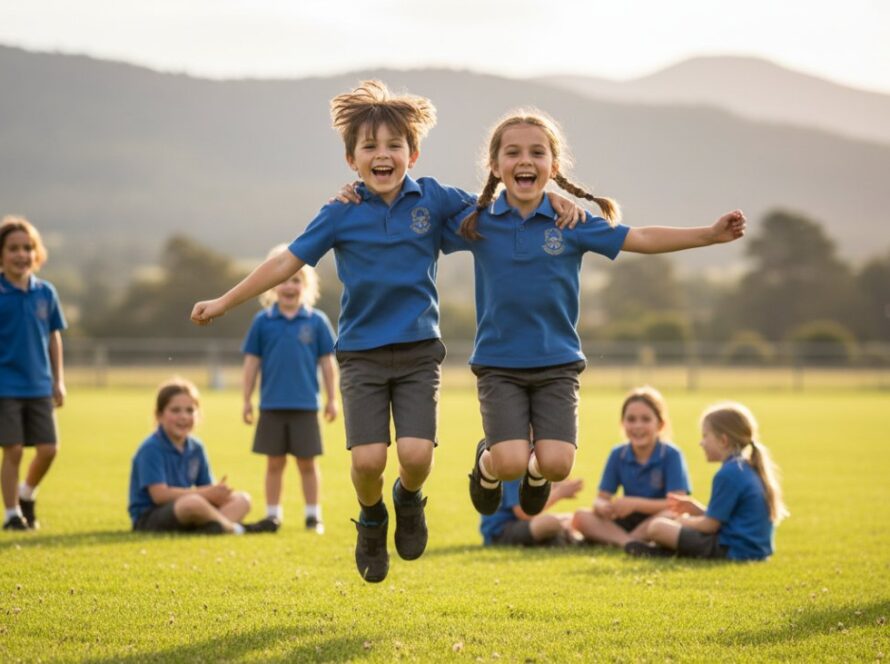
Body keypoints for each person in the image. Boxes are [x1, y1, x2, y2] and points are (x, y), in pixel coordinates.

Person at [191, 81, 582, 582]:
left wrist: (552, 199)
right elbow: (286, 261)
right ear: (351, 160)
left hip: (419, 351)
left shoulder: (436, 200)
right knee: (369, 460)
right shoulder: (340, 212)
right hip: (360, 355)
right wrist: (225, 301)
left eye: (394, 145)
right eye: (370, 147)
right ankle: (372, 516)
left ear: (412, 153)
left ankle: (409, 498)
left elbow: (504, 207)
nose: (383, 155)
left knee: (415, 456)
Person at [449, 111, 746, 520]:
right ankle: (486, 466)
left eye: (537, 152)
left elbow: (638, 237)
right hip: (499, 364)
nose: (524, 160)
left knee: (555, 464)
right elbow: (419, 215)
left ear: (553, 167)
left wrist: (709, 235)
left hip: (557, 364)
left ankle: (538, 476)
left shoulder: (572, 222)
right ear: (495, 166)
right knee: (509, 463)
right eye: (512, 152)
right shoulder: (476, 221)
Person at [242, 248, 338, 534]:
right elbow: (251, 363)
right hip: (271, 404)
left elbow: (327, 363)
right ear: (272, 285)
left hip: (306, 405)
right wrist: (247, 399)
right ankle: (272, 515)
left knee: (307, 463)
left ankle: (313, 516)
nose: (289, 286)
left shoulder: (316, 321)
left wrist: (332, 399)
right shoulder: (262, 322)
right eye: (284, 280)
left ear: (305, 286)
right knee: (274, 463)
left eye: (296, 280)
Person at [625, 402, 788, 560]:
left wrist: (683, 520)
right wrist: (695, 509)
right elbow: (724, 518)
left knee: (657, 526)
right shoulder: (744, 468)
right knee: (666, 524)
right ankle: (667, 552)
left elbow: (711, 526)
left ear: (723, 441)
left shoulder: (728, 473)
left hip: (732, 549)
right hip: (752, 549)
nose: (701, 443)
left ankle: (667, 551)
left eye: (705, 436)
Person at [128, 378, 278, 535]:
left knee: (242, 500)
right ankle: (238, 529)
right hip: (151, 517)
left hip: (190, 509)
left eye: (190, 410)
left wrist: (218, 493)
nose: (184, 416)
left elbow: (207, 487)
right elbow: (159, 495)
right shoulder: (151, 448)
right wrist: (206, 493)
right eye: (175, 410)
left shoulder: (196, 447)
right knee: (192, 503)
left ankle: (212, 528)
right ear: (159, 415)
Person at [0, 216, 66, 531]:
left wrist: (59, 379)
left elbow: (54, 336)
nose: (21, 254)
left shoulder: (46, 293)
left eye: (28, 248)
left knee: (49, 449)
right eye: (13, 248)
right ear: (1, 254)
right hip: (5, 385)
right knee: (12, 449)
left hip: (40, 384)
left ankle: (27, 494)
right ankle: (13, 514)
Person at [572, 386, 691, 547]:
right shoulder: (618, 454)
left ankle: (624, 540)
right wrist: (603, 507)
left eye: (646, 419)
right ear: (622, 423)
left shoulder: (671, 455)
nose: (638, 426)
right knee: (580, 517)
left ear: (660, 425)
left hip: (658, 519)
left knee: (672, 515)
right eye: (631, 419)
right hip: (625, 520)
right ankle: (630, 543)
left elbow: (678, 504)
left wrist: (635, 503)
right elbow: (600, 499)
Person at [481, 471, 583, 547]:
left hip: (521, 524)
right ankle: (568, 539)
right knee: (551, 522)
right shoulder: (515, 470)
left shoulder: (533, 468)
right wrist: (559, 493)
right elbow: (524, 513)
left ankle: (560, 538)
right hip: (501, 532)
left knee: (572, 518)